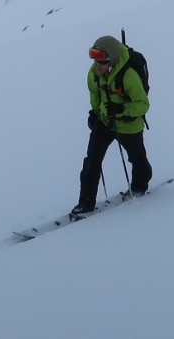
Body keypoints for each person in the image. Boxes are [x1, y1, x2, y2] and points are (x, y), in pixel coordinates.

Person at [70, 35, 151, 219]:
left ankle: (139, 186)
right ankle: (86, 203)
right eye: (96, 61)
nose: (99, 66)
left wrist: (123, 108)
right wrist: (95, 114)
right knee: (92, 161)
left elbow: (143, 104)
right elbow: (95, 98)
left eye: (103, 62)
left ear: (112, 60)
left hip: (128, 124)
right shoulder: (94, 75)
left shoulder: (128, 75)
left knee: (137, 159)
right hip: (106, 121)